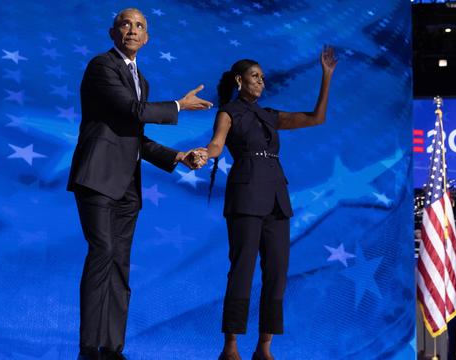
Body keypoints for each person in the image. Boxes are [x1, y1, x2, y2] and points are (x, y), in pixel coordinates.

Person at [66, 8, 212, 360]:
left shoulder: (140, 79)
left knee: (120, 264)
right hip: (98, 179)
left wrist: (177, 156)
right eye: (126, 24)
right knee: (102, 253)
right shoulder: (102, 67)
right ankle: (89, 349)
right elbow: (132, 112)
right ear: (113, 32)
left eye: (140, 26)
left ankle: (113, 348)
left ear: (146, 39)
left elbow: (135, 137)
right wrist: (179, 105)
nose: (133, 30)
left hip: (128, 188)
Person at [201, 47, 337, 360]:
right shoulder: (228, 112)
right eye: (255, 76)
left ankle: (264, 347)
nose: (261, 82)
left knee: (277, 272)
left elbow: (316, 118)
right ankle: (231, 346)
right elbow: (216, 145)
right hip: (246, 197)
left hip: (277, 200)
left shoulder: (269, 115)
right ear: (239, 80)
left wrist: (326, 77)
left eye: (263, 77)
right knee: (242, 271)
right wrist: (202, 154)